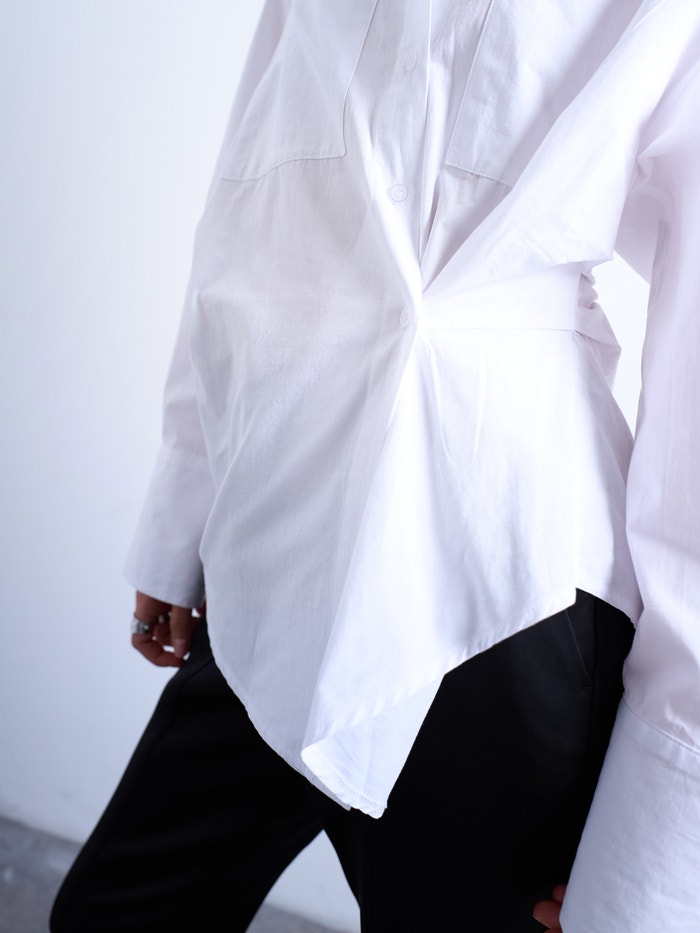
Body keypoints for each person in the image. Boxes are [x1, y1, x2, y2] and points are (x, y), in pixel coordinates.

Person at [51, 1, 700, 930]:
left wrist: (645, 884)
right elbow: (253, 196)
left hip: (501, 594)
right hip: (278, 533)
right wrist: (184, 501)